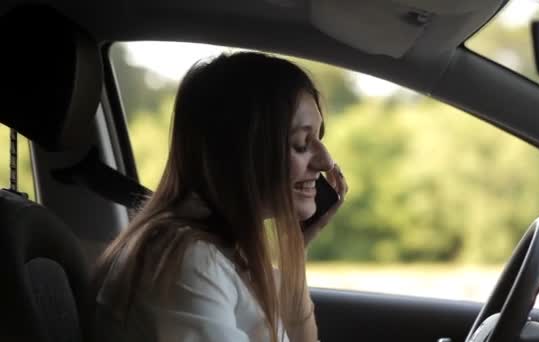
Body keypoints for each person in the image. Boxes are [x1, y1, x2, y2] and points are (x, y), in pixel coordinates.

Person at [92, 51, 348, 342]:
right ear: (240, 153)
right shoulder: (190, 261)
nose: (326, 161)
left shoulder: (227, 252)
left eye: (318, 139)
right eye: (302, 143)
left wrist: (295, 249)